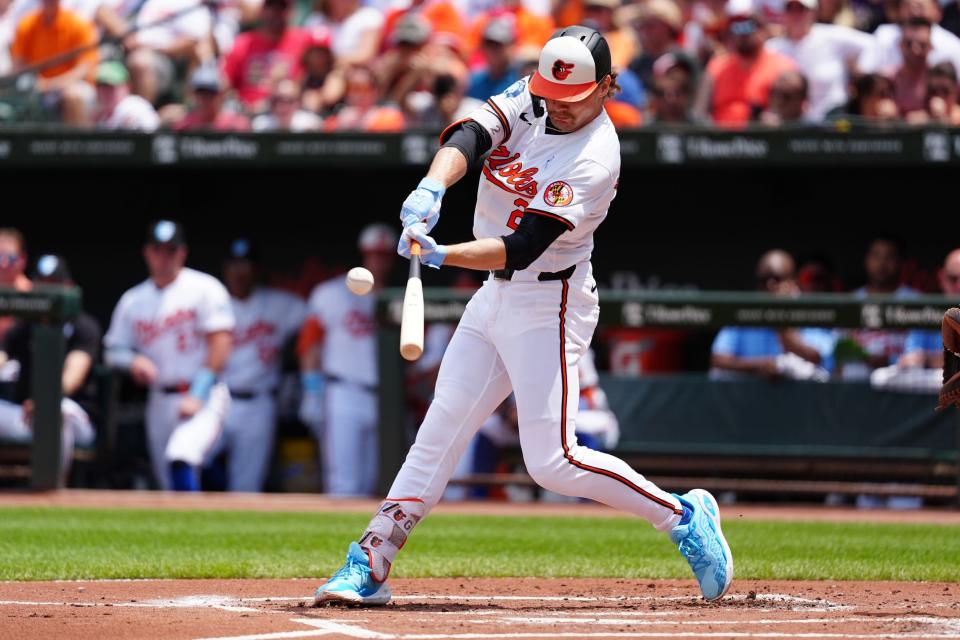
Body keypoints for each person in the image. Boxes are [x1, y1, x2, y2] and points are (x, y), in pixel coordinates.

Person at [313, 26, 732, 607]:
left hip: (551, 302)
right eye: (550, 92)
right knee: (439, 428)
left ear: (607, 87)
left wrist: (441, 252)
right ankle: (371, 558)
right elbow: (470, 133)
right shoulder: (537, 94)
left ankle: (683, 516)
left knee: (552, 462)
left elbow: (523, 245)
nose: (557, 103)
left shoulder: (594, 158)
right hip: (494, 297)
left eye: (575, 95)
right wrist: (432, 185)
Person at [103, 220, 235, 491]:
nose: (164, 256)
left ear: (182, 252)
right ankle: (195, 527)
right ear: (147, 253)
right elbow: (111, 350)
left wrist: (198, 393)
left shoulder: (205, 287)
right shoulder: (133, 299)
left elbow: (221, 344)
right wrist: (132, 361)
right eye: (158, 249)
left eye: (170, 250)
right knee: (166, 480)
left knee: (181, 456)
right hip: (159, 398)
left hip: (204, 394)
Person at [297, 223, 397, 497]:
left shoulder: (400, 299)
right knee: (343, 483)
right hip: (343, 392)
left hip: (384, 399)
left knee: (373, 482)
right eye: (373, 254)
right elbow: (309, 344)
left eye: (384, 255)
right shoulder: (329, 293)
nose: (378, 260)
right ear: (363, 255)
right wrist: (312, 392)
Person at [210, 238, 307, 492]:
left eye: (246, 265)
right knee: (190, 459)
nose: (240, 272)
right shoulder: (210, 301)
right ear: (225, 268)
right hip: (214, 399)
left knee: (245, 487)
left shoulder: (281, 304)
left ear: (257, 269)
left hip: (258, 403)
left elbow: (317, 319)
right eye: (234, 265)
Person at [0, 255, 98, 483]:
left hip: (73, 412)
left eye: (54, 284)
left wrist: (45, 400)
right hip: (24, 413)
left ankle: (53, 490)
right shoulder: (22, 327)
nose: (48, 291)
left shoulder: (83, 326)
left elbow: (73, 376)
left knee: (55, 411)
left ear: (68, 287)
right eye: (43, 284)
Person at [710, 250, 834, 381]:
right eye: (763, 280)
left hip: (801, 397)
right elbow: (718, 360)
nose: (770, 285)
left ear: (793, 282)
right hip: (751, 398)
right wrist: (760, 366)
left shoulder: (809, 311)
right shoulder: (745, 313)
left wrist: (784, 328)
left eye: (777, 279)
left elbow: (822, 360)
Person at [764, 0, 873, 121]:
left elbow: (872, 45)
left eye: (801, 9)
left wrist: (860, 75)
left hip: (833, 121)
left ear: (813, 12)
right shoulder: (772, 48)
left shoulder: (832, 36)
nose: (795, 14)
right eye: (790, 9)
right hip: (790, 125)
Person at [695, 0, 797, 126]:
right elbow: (699, 112)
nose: (742, 33)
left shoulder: (782, 68)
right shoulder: (717, 67)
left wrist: (777, 119)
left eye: (748, 25)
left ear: (763, 30)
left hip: (763, 140)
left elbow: (794, 113)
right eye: (736, 27)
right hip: (720, 141)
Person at [9, 0, 98, 124]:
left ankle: (81, 143)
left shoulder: (78, 24)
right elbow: (18, 64)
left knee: (73, 96)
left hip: (71, 85)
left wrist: (51, 85)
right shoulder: (27, 24)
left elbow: (84, 68)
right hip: (36, 87)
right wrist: (34, 83)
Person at [222, 0, 311, 114]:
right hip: (249, 115)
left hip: (289, 113)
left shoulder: (302, 41)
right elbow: (225, 83)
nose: (276, 13)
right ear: (263, 10)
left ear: (290, 12)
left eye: (281, 8)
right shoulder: (243, 43)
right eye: (271, 8)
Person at [173, 63, 251, 131]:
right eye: (201, 92)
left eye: (211, 93)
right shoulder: (186, 125)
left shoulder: (235, 125)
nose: (205, 98)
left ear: (220, 94)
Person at [93, 60, 160, 130]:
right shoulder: (101, 115)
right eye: (102, 87)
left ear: (126, 86)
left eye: (111, 87)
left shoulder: (132, 106)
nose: (106, 92)